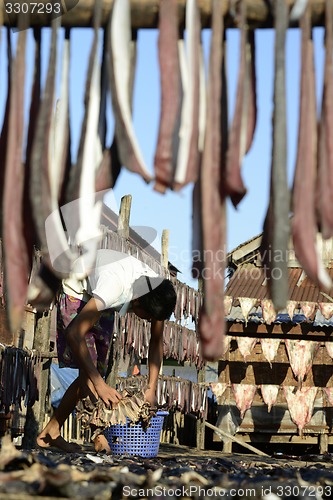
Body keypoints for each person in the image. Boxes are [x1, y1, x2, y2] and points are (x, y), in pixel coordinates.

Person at [36, 249, 177, 453]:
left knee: (95, 371)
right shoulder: (114, 287)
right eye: (146, 317)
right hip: (78, 288)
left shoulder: (156, 291)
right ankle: (98, 434)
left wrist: (151, 389)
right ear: (136, 302)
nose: (147, 322)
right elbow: (74, 334)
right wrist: (100, 385)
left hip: (102, 293)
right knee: (91, 372)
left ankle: (51, 432)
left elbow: (156, 341)